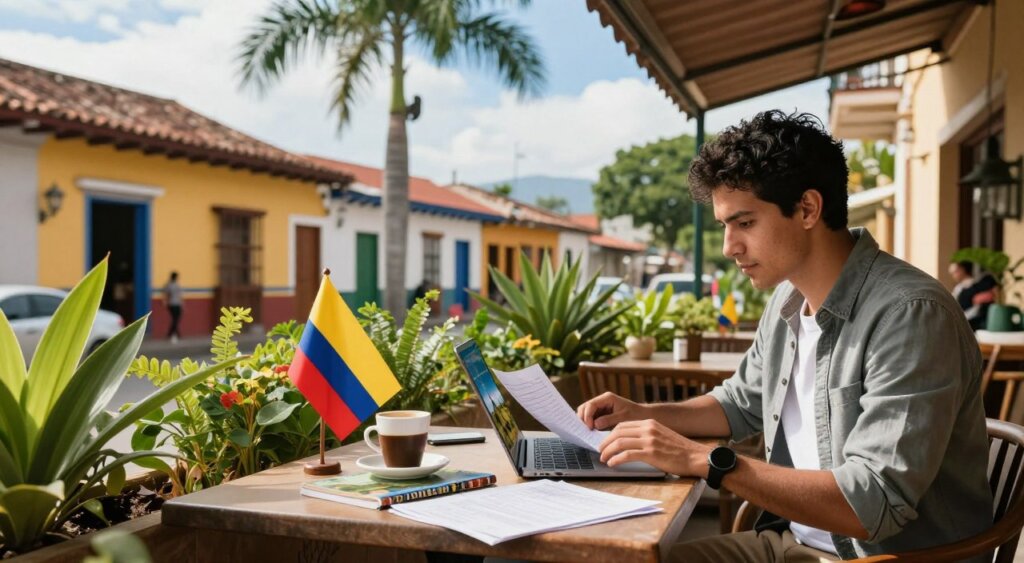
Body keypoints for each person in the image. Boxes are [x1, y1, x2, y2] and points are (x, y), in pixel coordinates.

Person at [577, 111, 992, 561]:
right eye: (723, 226)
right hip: (789, 544)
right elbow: (740, 402)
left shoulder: (910, 315)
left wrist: (706, 461)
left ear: (808, 209)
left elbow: (873, 501)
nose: (728, 247)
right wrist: (642, 413)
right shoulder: (787, 301)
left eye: (745, 223)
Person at [949, 260, 998, 330]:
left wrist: (962, 319)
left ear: (962, 270)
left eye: (955, 272)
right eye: (952, 273)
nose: (954, 276)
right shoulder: (958, 288)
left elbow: (977, 307)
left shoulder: (975, 286)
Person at [164, 271, 183, 343]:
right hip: (177, 304)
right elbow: (180, 296)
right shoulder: (177, 285)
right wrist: (182, 304)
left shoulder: (168, 285)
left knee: (175, 319)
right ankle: (173, 333)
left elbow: (166, 294)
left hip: (171, 304)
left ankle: (173, 333)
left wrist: (166, 303)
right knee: (176, 319)